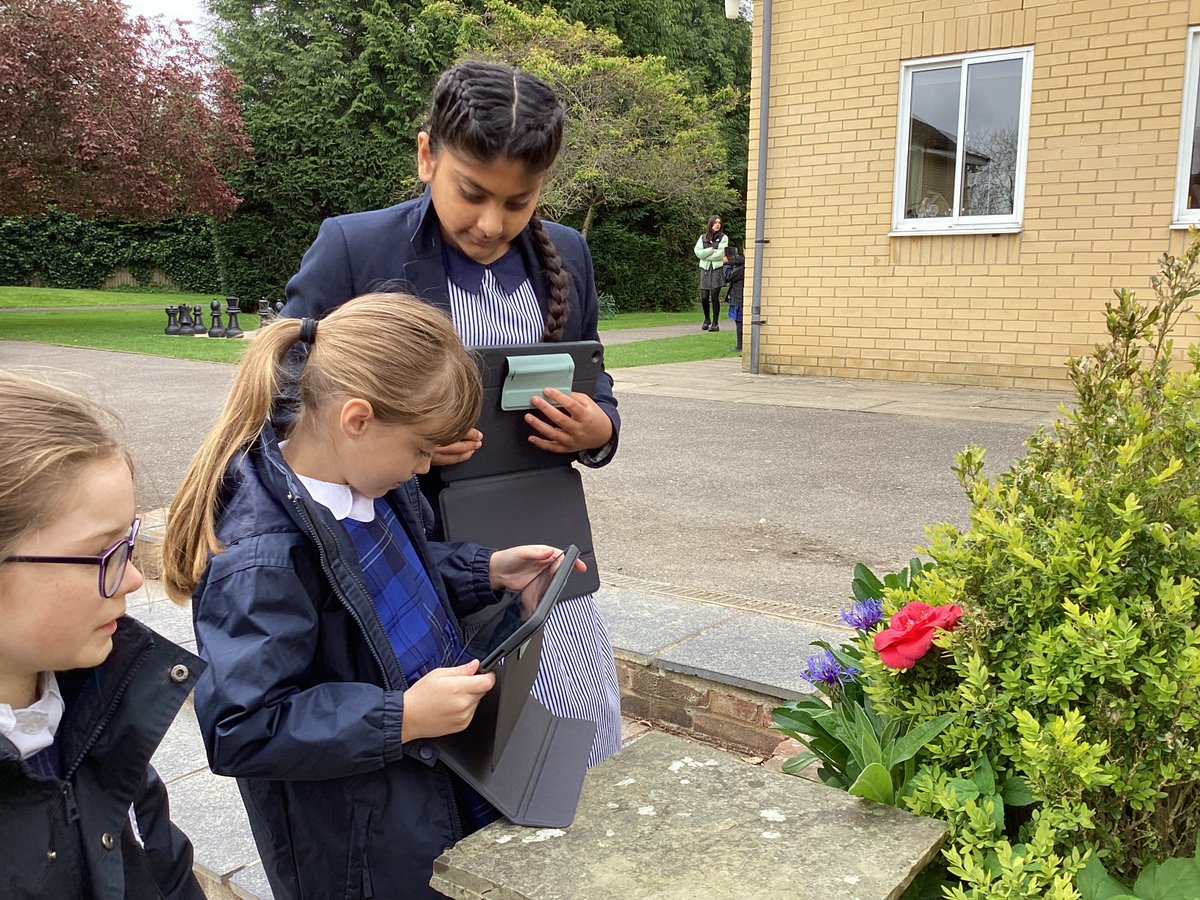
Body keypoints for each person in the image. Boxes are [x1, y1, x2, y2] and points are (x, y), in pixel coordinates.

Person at [162, 293, 582, 900]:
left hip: (431, 781)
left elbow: (384, 580)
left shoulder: (364, 480)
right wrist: (403, 716)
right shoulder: (261, 558)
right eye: (419, 450)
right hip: (360, 846)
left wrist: (484, 570)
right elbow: (242, 727)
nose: (421, 469)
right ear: (356, 419)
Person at [282, 60, 622, 767]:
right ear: (427, 154)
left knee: (572, 733)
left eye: (520, 201)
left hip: (543, 531)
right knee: (467, 748)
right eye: (472, 193)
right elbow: (284, 403)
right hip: (411, 545)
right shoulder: (356, 247)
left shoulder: (569, 254)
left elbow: (596, 379)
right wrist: (401, 442)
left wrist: (600, 429)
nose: (492, 223)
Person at [0, 371, 204, 900]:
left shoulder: (101, 703)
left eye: (129, 544)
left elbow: (166, 872)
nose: (134, 578)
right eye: (102, 553)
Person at [695, 215, 728, 331]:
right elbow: (698, 253)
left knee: (714, 296)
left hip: (716, 269)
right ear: (711, 224)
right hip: (705, 269)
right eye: (715, 223)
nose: (717, 225)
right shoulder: (703, 237)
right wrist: (710, 250)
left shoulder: (723, 238)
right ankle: (706, 319)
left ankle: (715, 323)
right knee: (704, 297)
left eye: (719, 223)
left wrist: (707, 256)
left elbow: (721, 254)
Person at [722, 245, 747, 352]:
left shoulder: (742, 266)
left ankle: (740, 345)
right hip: (737, 296)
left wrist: (726, 264)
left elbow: (728, 276)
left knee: (740, 322)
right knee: (738, 322)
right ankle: (740, 344)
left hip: (739, 298)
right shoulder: (740, 264)